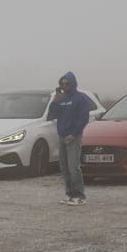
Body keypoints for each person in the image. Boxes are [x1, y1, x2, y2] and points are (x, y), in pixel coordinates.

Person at [47, 72, 92, 206]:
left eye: (67, 83)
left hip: (73, 136)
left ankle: (80, 195)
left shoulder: (80, 98)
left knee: (73, 167)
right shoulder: (61, 98)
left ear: (73, 84)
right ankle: (69, 194)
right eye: (62, 84)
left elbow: (83, 118)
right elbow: (52, 115)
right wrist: (55, 101)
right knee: (64, 167)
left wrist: (74, 133)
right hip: (62, 136)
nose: (64, 86)